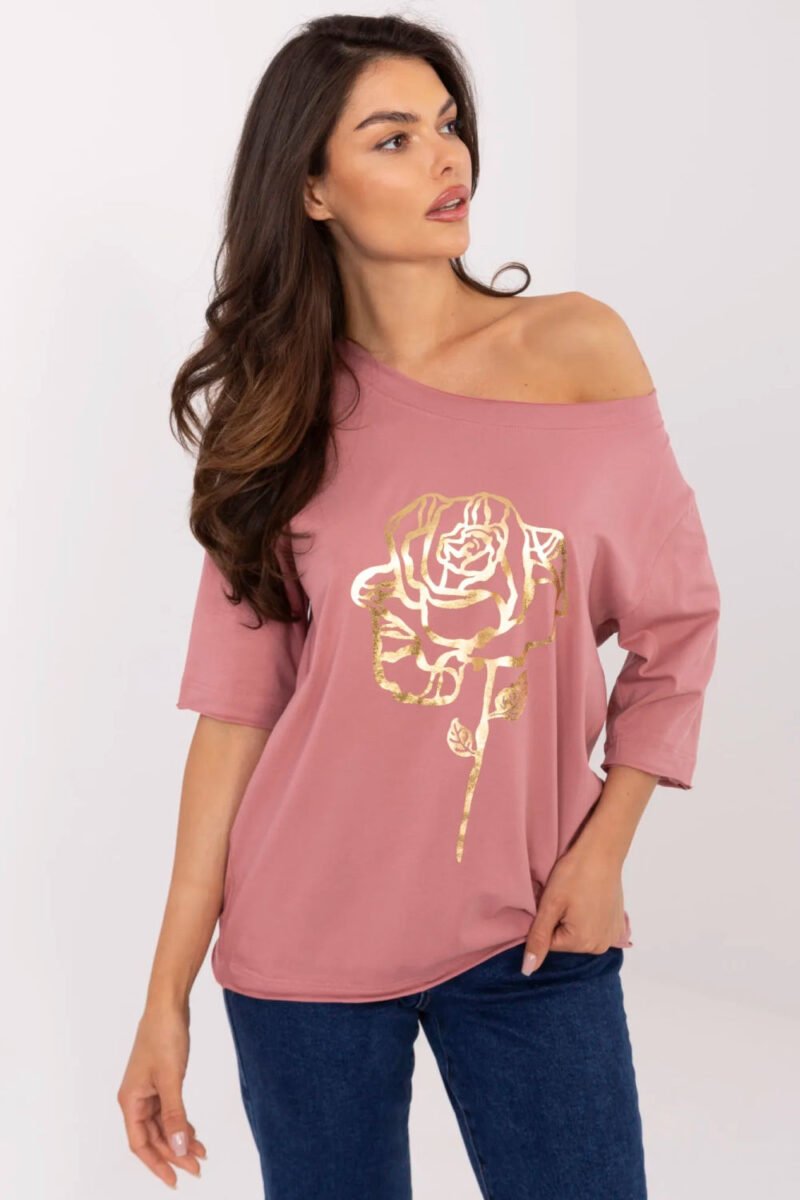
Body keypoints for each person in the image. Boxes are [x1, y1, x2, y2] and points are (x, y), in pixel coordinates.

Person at [117, 13, 721, 1199]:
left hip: (535, 927)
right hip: (300, 948)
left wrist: (603, 850)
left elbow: (676, 628)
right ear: (312, 190)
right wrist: (163, 998)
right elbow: (235, 719)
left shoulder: (576, 347)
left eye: (446, 126)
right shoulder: (277, 417)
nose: (446, 158)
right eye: (392, 138)